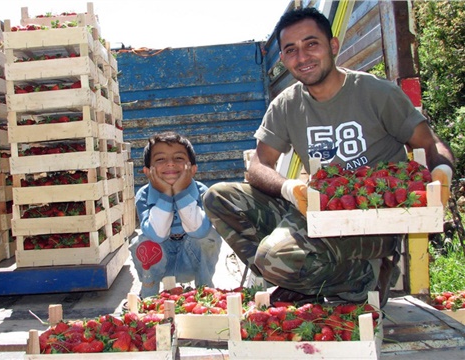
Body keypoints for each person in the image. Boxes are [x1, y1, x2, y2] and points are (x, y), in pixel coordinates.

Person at [203, 7, 454, 307]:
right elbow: (259, 164)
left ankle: (366, 275)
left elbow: (429, 143)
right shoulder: (287, 105)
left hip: (370, 220)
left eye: (312, 44)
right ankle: (306, 278)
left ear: (333, 46)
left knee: (272, 258)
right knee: (218, 197)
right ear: (282, 60)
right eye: (291, 50)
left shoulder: (376, 93)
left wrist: (442, 173)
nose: (303, 57)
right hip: (319, 210)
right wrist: (291, 190)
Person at [130, 131, 223, 297]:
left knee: (210, 237)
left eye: (179, 158)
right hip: (160, 263)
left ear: (193, 169)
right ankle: (148, 295)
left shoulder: (203, 192)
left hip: (191, 259)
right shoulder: (143, 195)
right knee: (142, 242)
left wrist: (179, 192)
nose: (170, 164)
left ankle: (205, 291)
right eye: (160, 159)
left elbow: (199, 231)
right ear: (147, 171)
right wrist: (166, 193)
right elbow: (156, 235)